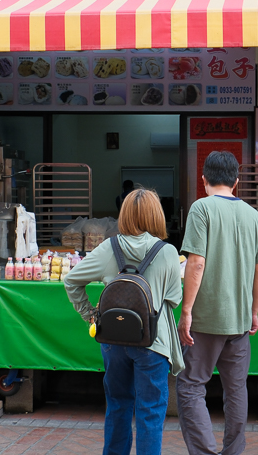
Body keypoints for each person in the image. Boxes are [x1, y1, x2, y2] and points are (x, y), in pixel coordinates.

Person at [64, 188, 183, 455]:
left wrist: (90, 315)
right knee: (150, 412)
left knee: (118, 405)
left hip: (113, 339)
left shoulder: (109, 248)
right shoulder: (167, 252)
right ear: (156, 216)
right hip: (153, 341)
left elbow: (71, 280)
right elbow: (173, 299)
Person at [177, 151, 258, 455]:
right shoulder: (252, 214)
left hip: (205, 318)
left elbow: (196, 262)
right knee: (236, 390)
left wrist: (186, 310)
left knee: (190, 386)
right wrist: (254, 311)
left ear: (203, 180)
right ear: (237, 182)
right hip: (240, 321)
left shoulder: (201, 208)